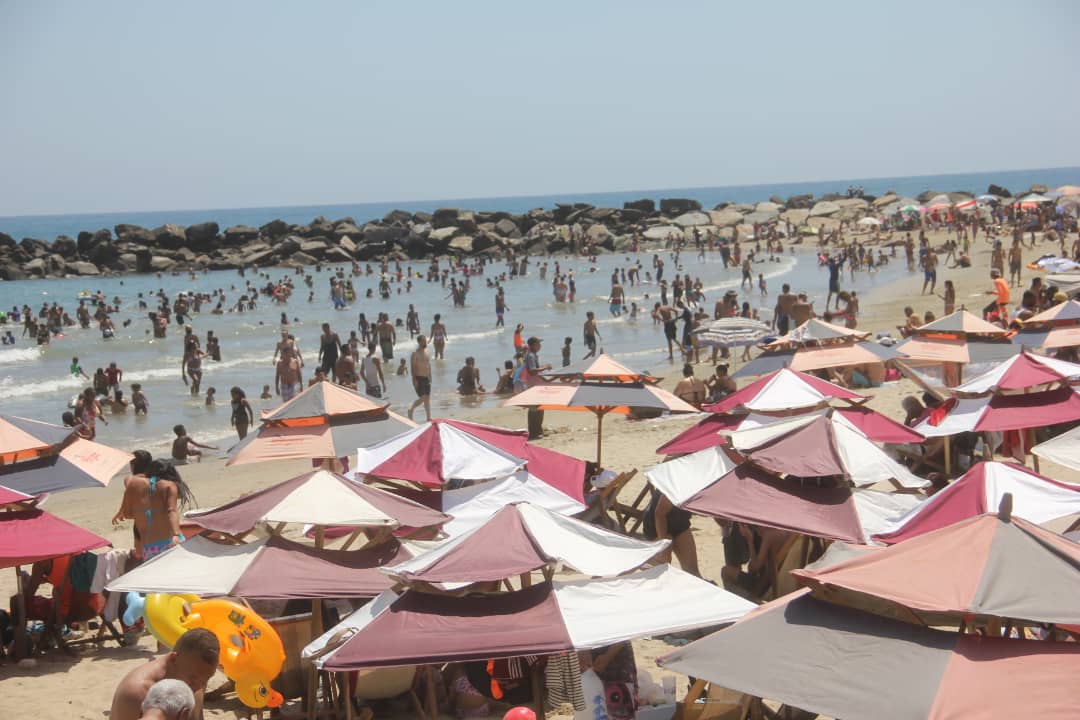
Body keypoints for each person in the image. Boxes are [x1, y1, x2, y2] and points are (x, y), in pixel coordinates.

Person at [109, 628, 219, 720]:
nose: (199, 686)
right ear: (174, 659)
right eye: (193, 677)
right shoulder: (137, 692)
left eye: (207, 679)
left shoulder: (198, 676)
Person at [112, 453, 196, 560]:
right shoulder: (169, 486)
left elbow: (128, 514)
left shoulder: (133, 484)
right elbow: (172, 511)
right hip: (171, 541)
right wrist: (176, 533)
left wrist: (125, 510)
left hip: (150, 548)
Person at [523, 336, 550, 439]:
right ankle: (534, 432)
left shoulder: (533, 355)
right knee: (535, 409)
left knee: (539, 408)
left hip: (535, 384)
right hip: (532, 385)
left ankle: (538, 430)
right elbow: (532, 370)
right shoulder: (530, 355)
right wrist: (545, 367)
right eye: (538, 343)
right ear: (533, 345)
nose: (540, 346)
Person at [408, 335, 432, 421]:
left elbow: (428, 366)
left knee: (427, 398)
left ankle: (428, 418)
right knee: (423, 397)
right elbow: (413, 367)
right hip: (419, 377)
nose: (425, 342)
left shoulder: (427, 352)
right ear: (419, 342)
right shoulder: (415, 353)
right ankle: (411, 409)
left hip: (426, 378)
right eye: (424, 341)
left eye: (425, 340)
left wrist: (430, 377)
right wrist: (414, 380)